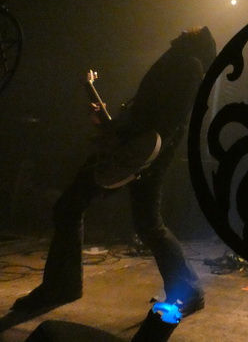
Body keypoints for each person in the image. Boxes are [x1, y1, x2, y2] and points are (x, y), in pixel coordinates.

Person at [12, 27, 217, 317]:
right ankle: (189, 290)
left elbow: (166, 123)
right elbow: (148, 114)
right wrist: (112, 123)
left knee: (74, 207)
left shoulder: (188, 65)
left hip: (137, 155)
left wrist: (126, 140)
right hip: (136, 152)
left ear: (198, 41)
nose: (186, 28)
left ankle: (62, 286)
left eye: (194, 30)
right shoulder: (178, 60)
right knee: (145, 224)